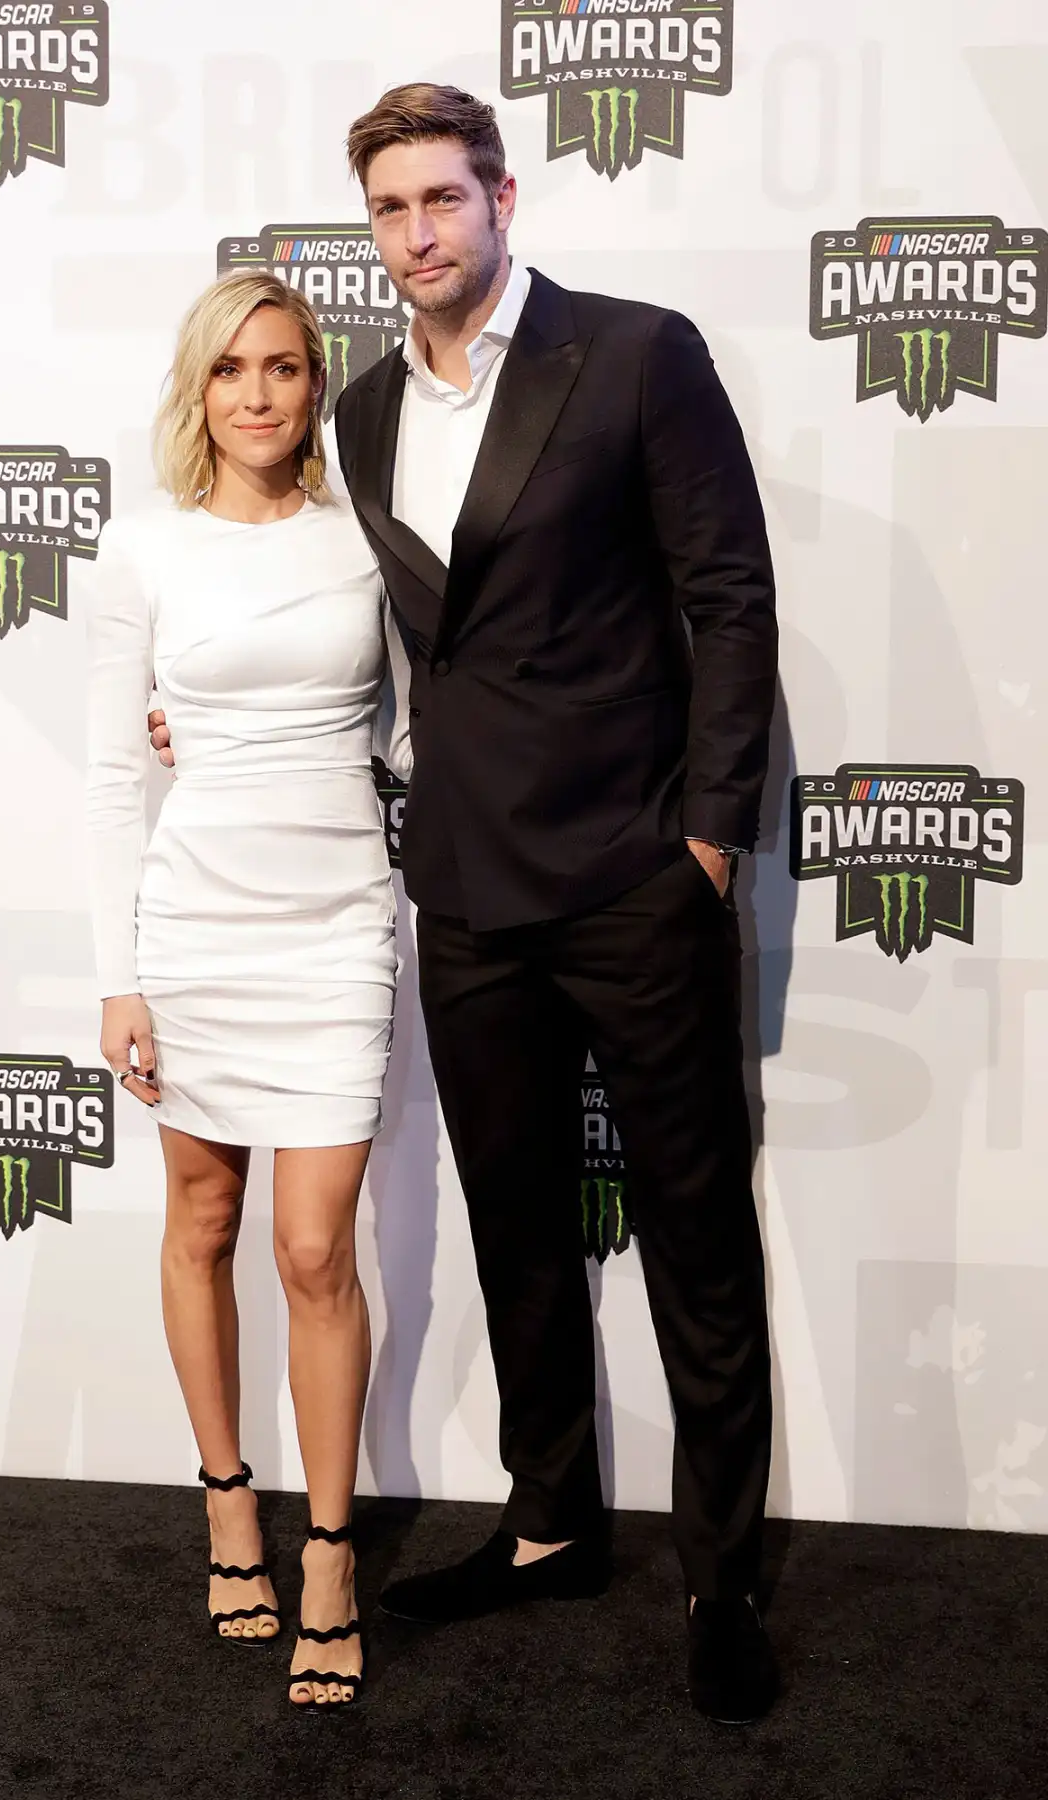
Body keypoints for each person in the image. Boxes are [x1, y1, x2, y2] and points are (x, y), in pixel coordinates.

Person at [151, 84, 780, 1723]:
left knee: (700, 1240)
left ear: (504, 200)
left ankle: (721, 1577)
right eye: (390, 208)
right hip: (469, 893)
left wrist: (709, 842)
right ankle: (550, 1518)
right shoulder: (360, 412)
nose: (418, 232)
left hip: (638, 881)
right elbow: (348, 630)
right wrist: (193, 710)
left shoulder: (633, 355)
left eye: (443, 198)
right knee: (516, 1230)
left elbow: (729, 598)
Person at [85, 270, 409, 1711]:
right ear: (198, 390)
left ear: (314, 383)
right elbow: (111, 777)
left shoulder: (368, 541)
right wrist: (119, 978)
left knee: (314, 1249)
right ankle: (228, 1499)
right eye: (232, 370)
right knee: (202, 1220)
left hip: (339, 925)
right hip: (198, 927)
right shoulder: (144, 549)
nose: (259, 394)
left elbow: (416, 729)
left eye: (283, 366)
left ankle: (328, 1551)